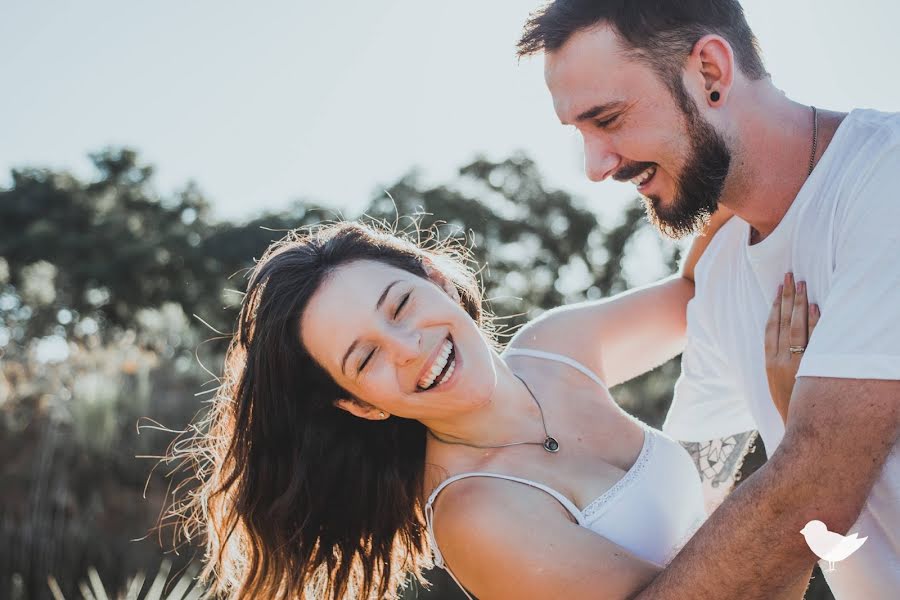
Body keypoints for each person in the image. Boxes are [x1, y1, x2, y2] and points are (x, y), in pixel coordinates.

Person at [171, 214, 811, 600]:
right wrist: (800, 434)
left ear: (438, 280)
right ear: (361, 405)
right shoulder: (476, 512)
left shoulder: (555, 349)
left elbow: (703, 292)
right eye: (364, 360)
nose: (408, 349)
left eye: (399, 305)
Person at [517, 1, 900, 597]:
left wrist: (797, 435)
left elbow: (813, 490)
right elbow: (692, 504)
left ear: (711, 74)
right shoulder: (721, 273)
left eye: (609, 119)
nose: (596, 167)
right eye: (581, 133)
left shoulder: (887, 178)